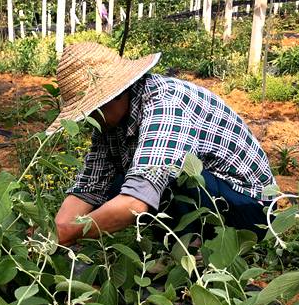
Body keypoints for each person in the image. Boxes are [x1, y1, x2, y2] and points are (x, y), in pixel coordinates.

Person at [48, 42, 275, 245]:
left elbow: (135, 203)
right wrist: (53, 235)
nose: (89, 120)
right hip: (212, 198)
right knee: (116, 186)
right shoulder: (108, 123)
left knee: (164, 177)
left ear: (116, 94)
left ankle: (194, 252)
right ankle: (178, 243)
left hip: (249, 210)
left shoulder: (165, 105)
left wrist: (70, 233)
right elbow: (88, 188)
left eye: (93, 109)